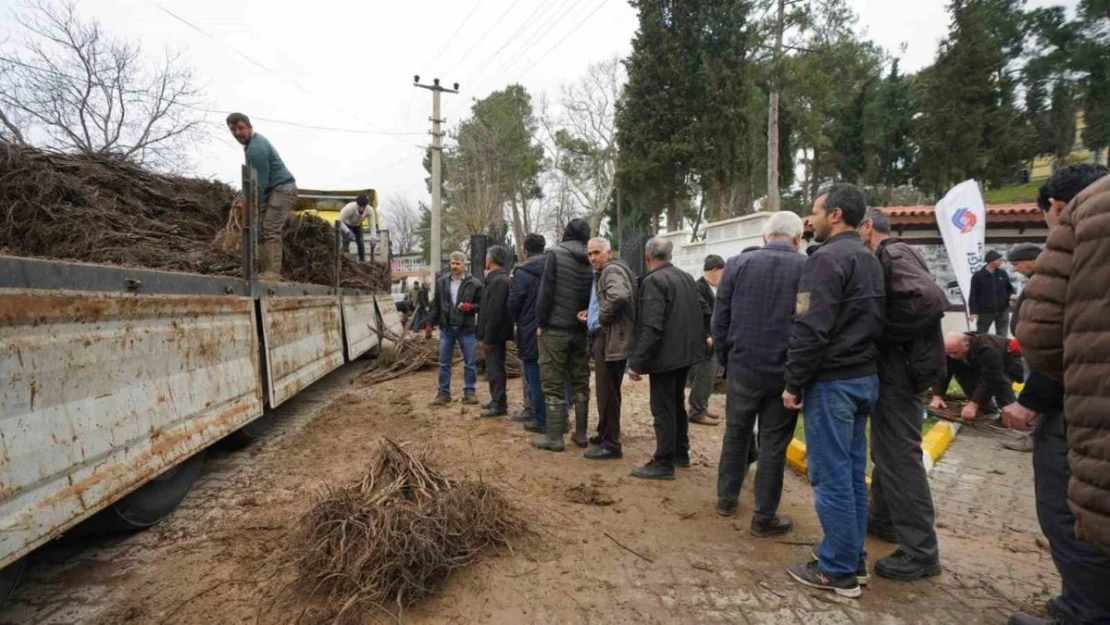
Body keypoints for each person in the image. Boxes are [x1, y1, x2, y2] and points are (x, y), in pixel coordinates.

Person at [1006, 165, 1110, 625]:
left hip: (1085, 408)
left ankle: (1082, 610)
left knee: (1076, 510)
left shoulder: (1086, 223)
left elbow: (1046, 333)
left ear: (1058, 207)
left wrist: (1032, 398)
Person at [782, 184, 884, 598]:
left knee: (831, 476)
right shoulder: (868, 257)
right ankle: (852, 559)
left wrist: (793, 382)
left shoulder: (825, 260)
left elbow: (810, 327)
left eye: (815, 212)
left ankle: (837, 569)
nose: (810, 220)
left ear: (836, 214)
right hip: (864, 379)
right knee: (853, 475)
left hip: (833, 383)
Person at [858, 208, 948, 581]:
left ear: (867, 227)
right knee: (886, 451)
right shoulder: (896, 255)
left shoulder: (892, 253)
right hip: (901, 370)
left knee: (899, 457)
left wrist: (882, 332)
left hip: (901, 372)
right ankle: (885, 520)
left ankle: (921, 552)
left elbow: (929, 300)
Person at [711, 211, 805, 536]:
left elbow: (720, 318)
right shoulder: (805, 268)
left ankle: (725, 499)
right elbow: (807, 323)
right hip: (784, 374)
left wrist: (725, 357)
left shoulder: (736, 265)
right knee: (773, 445)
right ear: (797, 238)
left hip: (743, 368)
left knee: (736, 434)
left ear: (765, 237)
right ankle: (764, 517)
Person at [627, 237, 711, 480]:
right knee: (675, 405)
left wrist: (638, 362)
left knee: (663, 408)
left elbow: (652, 326)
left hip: (665, 358)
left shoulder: (654, 281)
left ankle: (663, 462)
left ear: (647, 257)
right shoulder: (685, 277)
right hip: (685, 355)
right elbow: (705, 310)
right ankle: (680, 453)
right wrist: (702, 337)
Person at [532, 219, 594, 452]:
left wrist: (541, 322)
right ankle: (580, 434)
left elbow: (546, 291)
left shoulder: (555, 254)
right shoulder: (591, 257)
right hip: (580, 328)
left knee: (553, 381)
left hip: (556, 329)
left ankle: (554, 438)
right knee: (580, 381)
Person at [582, 237, 637, 460]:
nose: (593, 257)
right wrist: (591, 316)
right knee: (606, 390)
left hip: (610, 339)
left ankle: (611, 444)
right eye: (590, 254)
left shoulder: (611, 270)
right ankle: (605, 432)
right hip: (607, 336)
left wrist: (602, 318)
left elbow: (619, 295)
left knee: (608, 393)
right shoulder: (609, 270)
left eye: (597, 252)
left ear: (608, 252)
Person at [226, 112, 297, 280]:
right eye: (233, 130)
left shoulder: (256, 149)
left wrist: (248, 203)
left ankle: (272, 273)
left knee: (270, 229)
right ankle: (265, 270)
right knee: (264, 228)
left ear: (250, 128)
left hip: (282, 189)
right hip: (274, 190)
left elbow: (260, 183)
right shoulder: (251, 145)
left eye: (241, 128)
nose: (237, 133)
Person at [1000, 243, 1042, 452]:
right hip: (1030, 346)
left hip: (1040, 351)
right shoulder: (1037, 281)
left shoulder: (1046, 281)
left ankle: (1036, 437)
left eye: (1017, 264)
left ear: (1033, 259)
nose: (1015, 269)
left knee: (1037, 391)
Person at [929, 332, 1023, 421]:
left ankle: (1009, 415)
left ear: (967, 345)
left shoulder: (987, 348)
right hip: (978, 363)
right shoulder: (952, 349)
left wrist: (974, 404)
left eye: (955, 353)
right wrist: (937, 395)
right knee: (964, 376)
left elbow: (991, 378)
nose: (951, 356)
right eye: (948, 353)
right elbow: (944, 372)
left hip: (1007, 362)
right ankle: (986, 409)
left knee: (1001, 381)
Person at [429, 251, 483, 406]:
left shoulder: (475, 284)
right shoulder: (442, 282)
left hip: (466, 328)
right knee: (444, 362)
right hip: (447, 328)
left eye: (458, 263)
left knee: (470, 362)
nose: (454, 266)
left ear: (464, 264)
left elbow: (482, 306)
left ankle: (469, 392)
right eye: (452, 263)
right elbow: (437, 304)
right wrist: (430, 323)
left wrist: (471, 307)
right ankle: (443, 393)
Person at [508, 234, 547, 431]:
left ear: (525, 252)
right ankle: (560, 415)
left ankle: (540, 418)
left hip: (529, 329)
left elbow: (515, 303)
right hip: (551, 327)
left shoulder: (522, 273)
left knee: (533, 374)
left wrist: (517, 319)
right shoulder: (553, 268)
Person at [687, 255, 725, 426]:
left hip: (713, 338)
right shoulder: (698, 287)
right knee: (704, 375)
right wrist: (706, 335)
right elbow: (695, 315)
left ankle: (702, 406)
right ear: (714, 270)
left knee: (709, 376)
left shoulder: (713, 287)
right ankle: (696, 411)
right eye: (721, 272)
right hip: (705, 341)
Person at [477, 245, 512, 417]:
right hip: (492, 335)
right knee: (492, 369)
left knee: (496, 369)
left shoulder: (499, 281)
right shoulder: (494, 279)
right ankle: (495, 400)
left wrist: (488, 338)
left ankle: (499, 403)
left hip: (495, 336)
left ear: (490, 259)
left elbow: (494, 312)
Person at [968, 250, 1016, 337]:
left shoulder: (1002, 273)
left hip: (1002, 310)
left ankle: (1001, 350)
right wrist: (973, 312)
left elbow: (1009, 288)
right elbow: (973, 295)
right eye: (999, 260)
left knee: (1002, 335)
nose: (1001, 262)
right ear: (991, 261)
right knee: (982, 335)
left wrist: (1012, 295)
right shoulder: (978, 276)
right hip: (985, 312)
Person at [337, 195, 377, 263]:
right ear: (357, 204)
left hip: (357, 225)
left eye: (363, 207)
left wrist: (373, 238)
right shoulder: (349, 208)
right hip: (346, 224)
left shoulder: (370, 210)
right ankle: (346, 261)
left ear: (366, 206)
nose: (361, 209)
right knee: (346, 242)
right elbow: (339, 221)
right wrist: (347, 232)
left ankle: (362, 261)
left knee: (360, 242)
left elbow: (372, 224)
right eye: (360, 206)